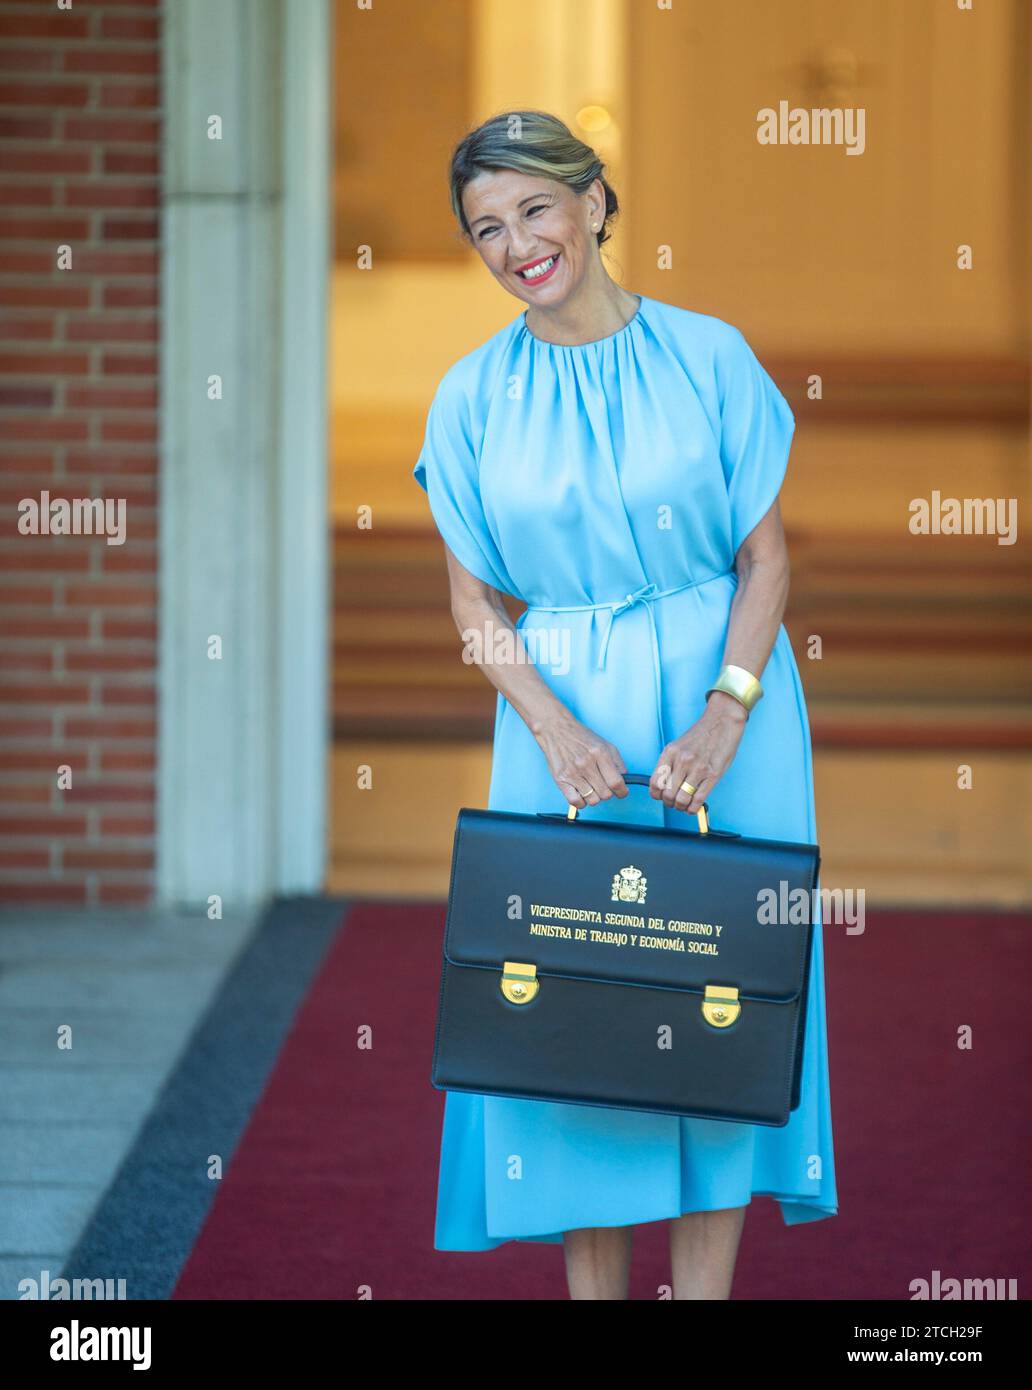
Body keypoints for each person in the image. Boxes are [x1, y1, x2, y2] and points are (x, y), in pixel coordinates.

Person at [413, 110, 838, 1300]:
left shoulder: (709, 355)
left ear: (595, 201)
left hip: (730, 716)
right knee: (570, 1017)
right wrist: (553, 727)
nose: (516, 245)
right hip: (562, 725)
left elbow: (766, 563)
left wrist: (726, 710)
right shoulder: (471, 395)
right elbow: (477, 609)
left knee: (719, 1008)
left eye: (535, 209)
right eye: (486, 229)